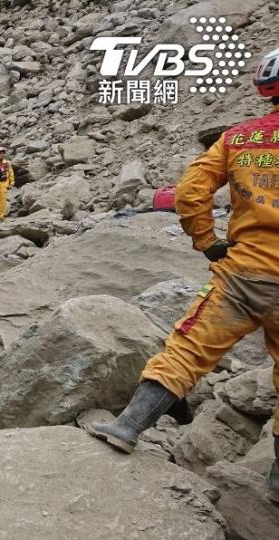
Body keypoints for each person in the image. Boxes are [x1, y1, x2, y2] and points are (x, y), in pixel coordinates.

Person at [87, 49, 279, 503]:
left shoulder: (240, 139)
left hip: (243, 276)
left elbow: (191, 191)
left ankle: (129, 426)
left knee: (189, 348)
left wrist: (207, 242)